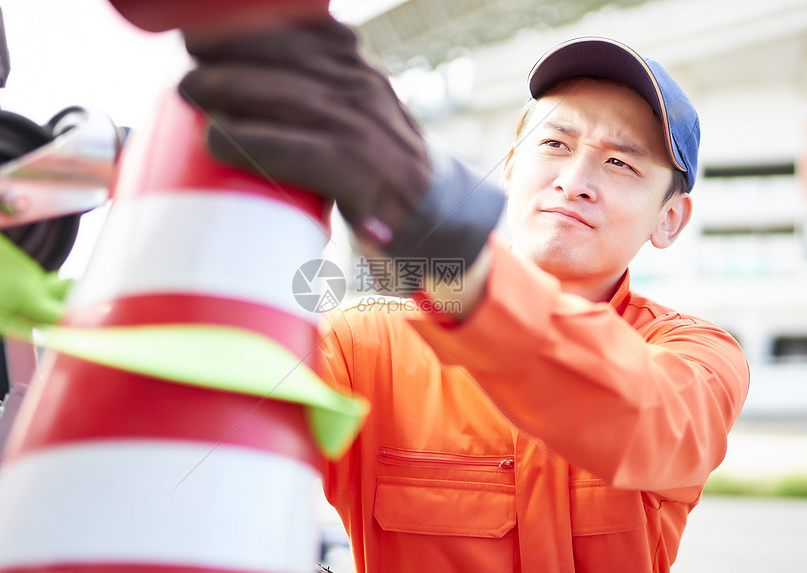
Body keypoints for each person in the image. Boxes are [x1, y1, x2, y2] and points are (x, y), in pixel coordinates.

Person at [179, 18, 750, 573]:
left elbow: (657, 425)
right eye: (554, 142)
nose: (574, 180)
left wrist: (444, 252)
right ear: (510, 168)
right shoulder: (365, 349)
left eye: (620, 162)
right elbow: (205, 411)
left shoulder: (696, 355)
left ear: (671, 220)